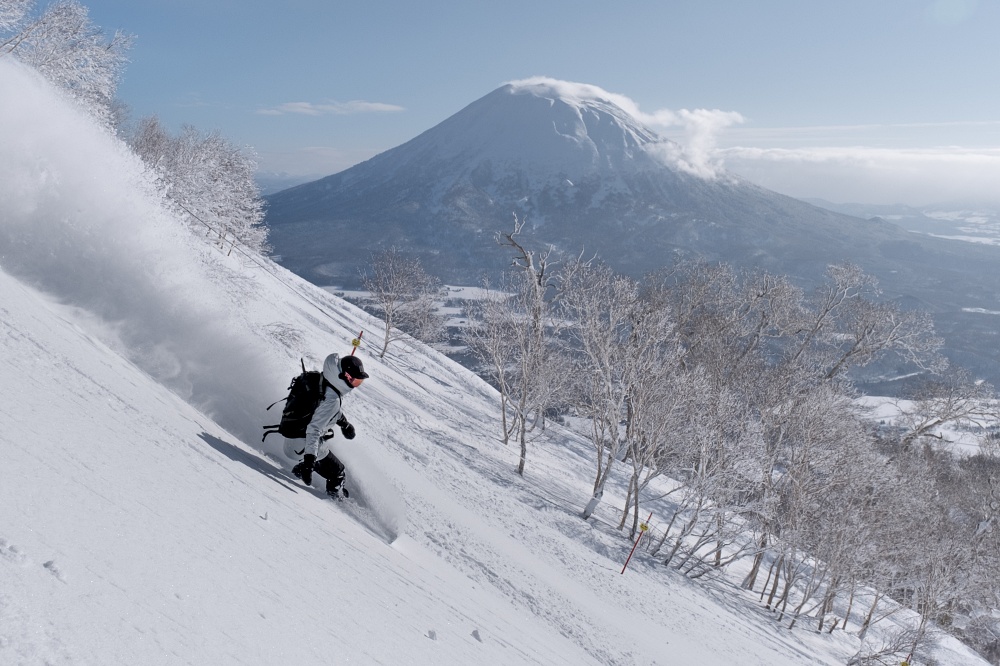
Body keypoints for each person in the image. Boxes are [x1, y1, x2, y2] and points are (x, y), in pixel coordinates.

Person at [291, 352, 369, 498]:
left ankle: (298, 471)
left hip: (294, 437)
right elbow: (314, 429)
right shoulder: (333, 398)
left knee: (324, 456)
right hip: (302, 443)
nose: (355, 386)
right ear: (345, 376)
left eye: (359, 382)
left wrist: (344, 424)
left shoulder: (325, 380)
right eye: (355, 381)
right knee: (337, 472)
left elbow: (323, 410)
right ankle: (333, 508)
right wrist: (309, 463)